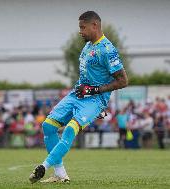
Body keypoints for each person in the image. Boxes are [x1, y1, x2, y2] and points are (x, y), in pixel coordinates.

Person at [29, 11, 128, 183]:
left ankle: (44, 167)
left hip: (95, 99)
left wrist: (95, 91)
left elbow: (123, 81)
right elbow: (88, 76)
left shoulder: (107, 49)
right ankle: (60, 174)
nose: (80, 31)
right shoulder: (88, 45)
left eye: (83, 27)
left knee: (69, 130)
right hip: (77, 94)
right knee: (48, 126)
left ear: (94, 25)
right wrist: (84, 89)